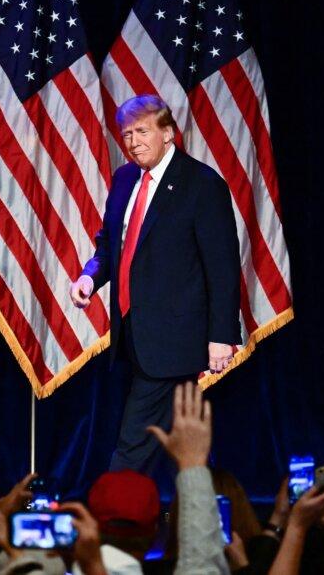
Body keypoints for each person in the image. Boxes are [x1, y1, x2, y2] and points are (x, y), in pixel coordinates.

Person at [70, 94, 242, 473]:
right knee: (186, 436)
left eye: (142, 131)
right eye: (127, 133)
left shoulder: (201, 185)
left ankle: (113, 519)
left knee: (134, 442)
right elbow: (111, 243)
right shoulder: (125, 178)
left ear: (168, 134)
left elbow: (223, 267)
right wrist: (90, 275)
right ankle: (213, 514)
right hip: (133, 334)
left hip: (176, 337)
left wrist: (222, 335)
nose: (133, 141)